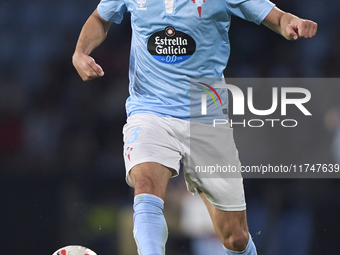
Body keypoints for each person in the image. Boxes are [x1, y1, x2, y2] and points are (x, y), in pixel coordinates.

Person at [72, 0, 317, 254]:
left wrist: (292, 23)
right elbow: (100, 18)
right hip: (150, 110)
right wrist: (81, 52)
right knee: (145, 185)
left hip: (206, 117)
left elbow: (276, 17)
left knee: (236, 237)